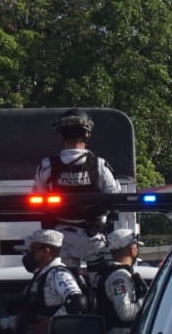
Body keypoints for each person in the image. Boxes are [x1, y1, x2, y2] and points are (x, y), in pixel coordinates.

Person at [34, 108, 121, 265]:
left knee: (62, 278)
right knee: (98, 282)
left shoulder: (47, 165)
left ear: (60, 135)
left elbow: (37, 194)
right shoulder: (99, 165)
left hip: (59, 240)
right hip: (92, 239)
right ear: (87, 134)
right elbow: (114, 196)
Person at [0, 228, 88, 334]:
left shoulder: (57, 274)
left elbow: (77, 301)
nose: (29, 253)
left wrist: (52, 323)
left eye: (33, 248)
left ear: (46, 251)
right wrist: (2, 323)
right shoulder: (41, 275)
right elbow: (30, 314)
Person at [89, 227, 147, 334]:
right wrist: (148, 302)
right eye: (136, 246)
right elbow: (125, 312)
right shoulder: (120, 276)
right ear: (132, 250)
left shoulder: (112, 273)